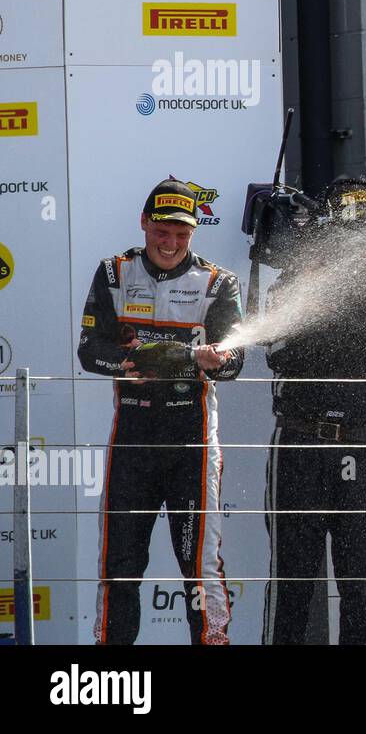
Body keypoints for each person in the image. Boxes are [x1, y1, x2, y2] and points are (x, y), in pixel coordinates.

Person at [78, 179, 245, 645]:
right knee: (120, 564)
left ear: (193, 233)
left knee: (199, 565)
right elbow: (89, 351)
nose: (170, 244)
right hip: (133, 438)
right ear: (144, 223)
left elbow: (236, 362)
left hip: (190, 439)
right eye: (162, 232)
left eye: (182, 235)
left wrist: (218, 359)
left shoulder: (218, 281)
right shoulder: (114, 272)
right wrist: (129, 363)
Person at [262, 176, 366, 645]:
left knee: (361, 578)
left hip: (360, 441)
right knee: (293, 577)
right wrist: (322, 297)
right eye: (359, 229)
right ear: (333, 229)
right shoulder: (295, 280)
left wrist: (365, 304)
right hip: (299, 442)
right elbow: (277, 349)